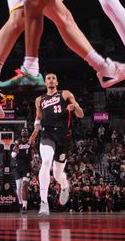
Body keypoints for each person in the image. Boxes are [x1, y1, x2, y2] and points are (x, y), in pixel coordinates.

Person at [28, 73, 84, 216]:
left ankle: (64, 185)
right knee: (46, 162)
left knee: (58, 173)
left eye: (53, 78)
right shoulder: (39, 99)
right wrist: (35, 130)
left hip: (63, 136)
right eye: (48, 78)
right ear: (45, 82)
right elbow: (38, 117)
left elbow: (81, 114)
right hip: (47, 134)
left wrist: (75, 107)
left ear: (57, 82)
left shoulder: (65, 94)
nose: (51, 80)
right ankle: (44, 202)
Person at [10, 128, 33, 213]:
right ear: (21, 133)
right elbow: (12, 155)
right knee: (19, 187)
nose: (24, 132)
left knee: (25, 185)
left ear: (27, 133)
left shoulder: (30, 142)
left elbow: (34, 151)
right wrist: (15, 152)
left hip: (26, 166)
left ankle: (24, 205)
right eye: (23, 131)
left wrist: (36, 157)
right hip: (18, 167)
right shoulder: (17, 142)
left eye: (26, 131)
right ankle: (20, 203)